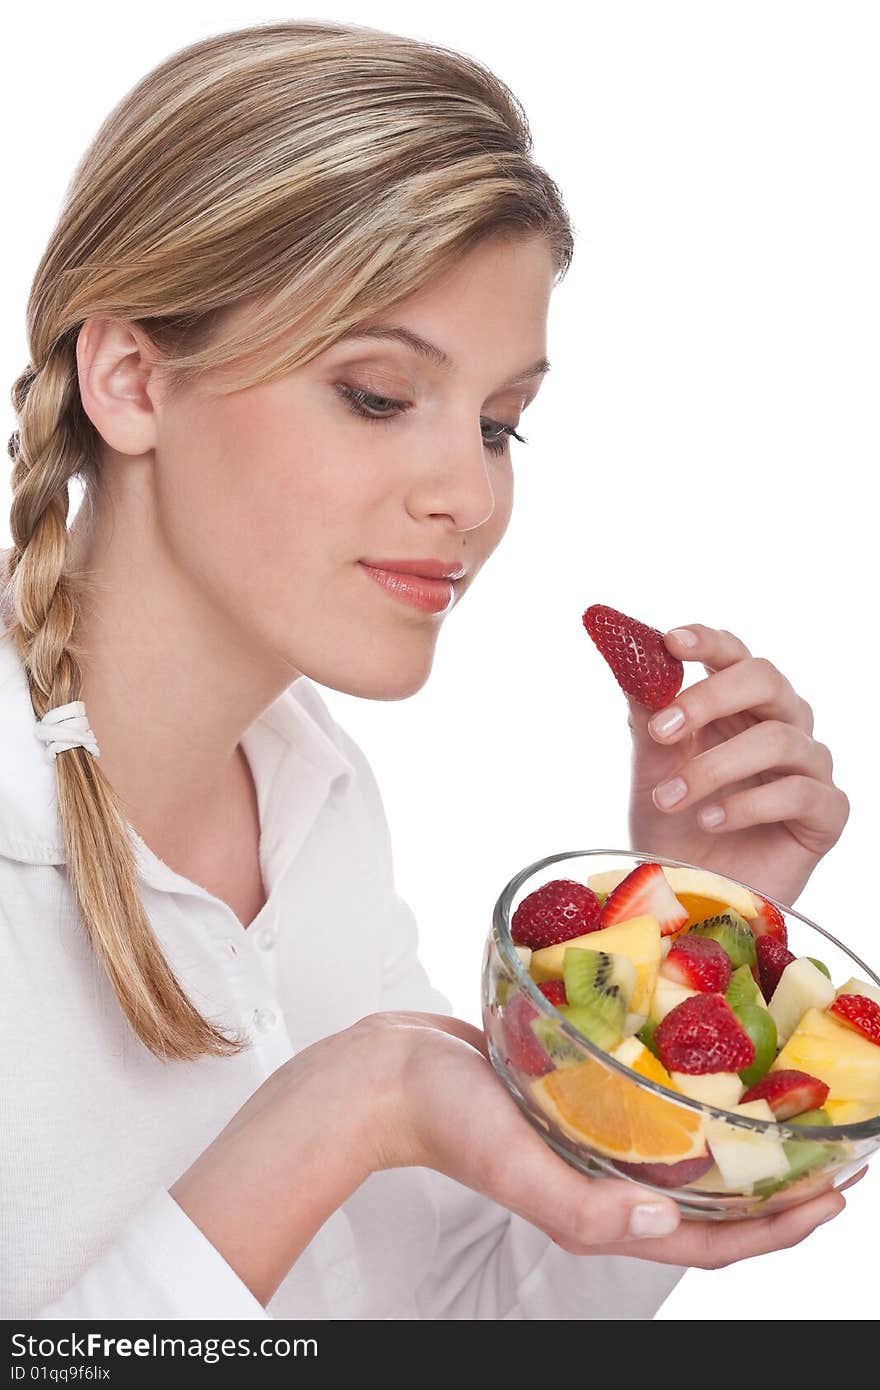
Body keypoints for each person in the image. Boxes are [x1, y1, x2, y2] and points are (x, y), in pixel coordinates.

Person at [0, 19, 854, 1321]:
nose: (471, 493)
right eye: (379, 395)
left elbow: (452, 1319)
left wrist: (687, 954)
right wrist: (334, 1120)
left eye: (502, 423)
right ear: (130, 378)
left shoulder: (317, 800)